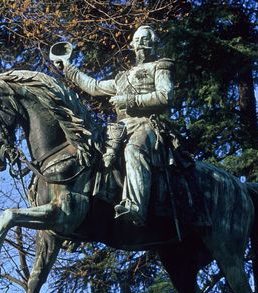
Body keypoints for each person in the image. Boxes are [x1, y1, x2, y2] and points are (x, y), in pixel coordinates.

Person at [55, 25, 174, 226]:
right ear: (132, 45)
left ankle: (136, 206)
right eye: (137, 40)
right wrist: (68, 68)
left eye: (145, 39)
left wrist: (130, 101)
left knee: (134, 150)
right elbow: (93, 87)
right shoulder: (122, 78)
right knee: (96, 153)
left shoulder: (161, 66)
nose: (140, 44)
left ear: (153, 43)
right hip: (121, 128)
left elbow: (165, 95)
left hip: (148, 124)